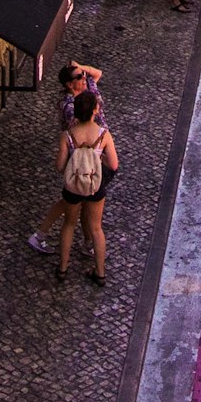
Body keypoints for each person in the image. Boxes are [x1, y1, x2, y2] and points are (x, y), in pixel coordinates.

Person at [23, 62, 107, 258]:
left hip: (94, 156)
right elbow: (81, 132)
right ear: (70, 84)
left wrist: (80, 66)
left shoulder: (87, 88)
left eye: (83, 75)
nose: (84, 77)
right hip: (82, 159)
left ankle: (87, 243)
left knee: (85, 199)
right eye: (79, 76)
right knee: (76, 200)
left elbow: (97, 73)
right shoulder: (70, 106)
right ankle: (43, 235)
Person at [50, 87, 119, 284]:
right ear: (95, 111)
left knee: (69, 224)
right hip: (95, 186)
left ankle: (63, 268)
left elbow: (60, 166)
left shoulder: (67, 136)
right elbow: (114, 164)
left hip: (73, 187)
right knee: (96, 228)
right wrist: (98, 158)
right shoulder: (104, 135)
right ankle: (100, 272)